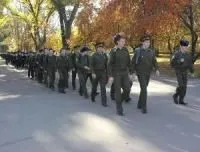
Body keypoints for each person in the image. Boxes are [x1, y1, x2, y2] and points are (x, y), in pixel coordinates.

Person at [131, 35, 159, 114]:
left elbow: (154, 61)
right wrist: (132, 72)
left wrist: (157, 69)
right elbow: (133, 63)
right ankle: (144, 106)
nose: (148, 43)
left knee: (143, 89)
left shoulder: (151, 52)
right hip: (140, 73)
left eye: (148, 42)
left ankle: (139, 103)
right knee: (144, 89)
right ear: (142, 42)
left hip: (148, 73)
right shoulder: (138, 51)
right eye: (146, 42)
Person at [108, 33, 133, 116]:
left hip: (125, 72)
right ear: (118, 42)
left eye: (124, 41)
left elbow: (129, 62)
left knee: (127, 88)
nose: (124, 43)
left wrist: (131, 73)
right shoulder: (113, 51)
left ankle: (120, 100)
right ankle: (119, 108)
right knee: (118, 91)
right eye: (122, 41)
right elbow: (110, 64)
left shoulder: (126, 50)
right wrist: (111, 76)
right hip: (117, 73)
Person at [171, 39, 194, 105]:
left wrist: (192, 72)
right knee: (181, 85)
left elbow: (190, 64)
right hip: (178, 71)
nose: (186, 48)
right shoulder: (176, 54)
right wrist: (179, 61)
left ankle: (181, 100)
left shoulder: (188, 55)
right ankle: (175, 95)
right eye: (185, 46)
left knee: (184, 87)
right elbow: (172, 64)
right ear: (181, 46)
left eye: (187, 46)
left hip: (185, 72)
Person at [90, 42, 108, 107]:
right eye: (99, 48)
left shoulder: (104, 55)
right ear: (96, 49)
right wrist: (93, 73)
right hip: (96, 72)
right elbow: (91, 65)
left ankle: (104, 102)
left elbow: (106, 65)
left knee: (103, 87)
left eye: (101, 48)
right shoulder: (93, 55)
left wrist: (107, 74)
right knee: (94, 86)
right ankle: (93, 95)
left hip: (103, 73)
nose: (100, 49)